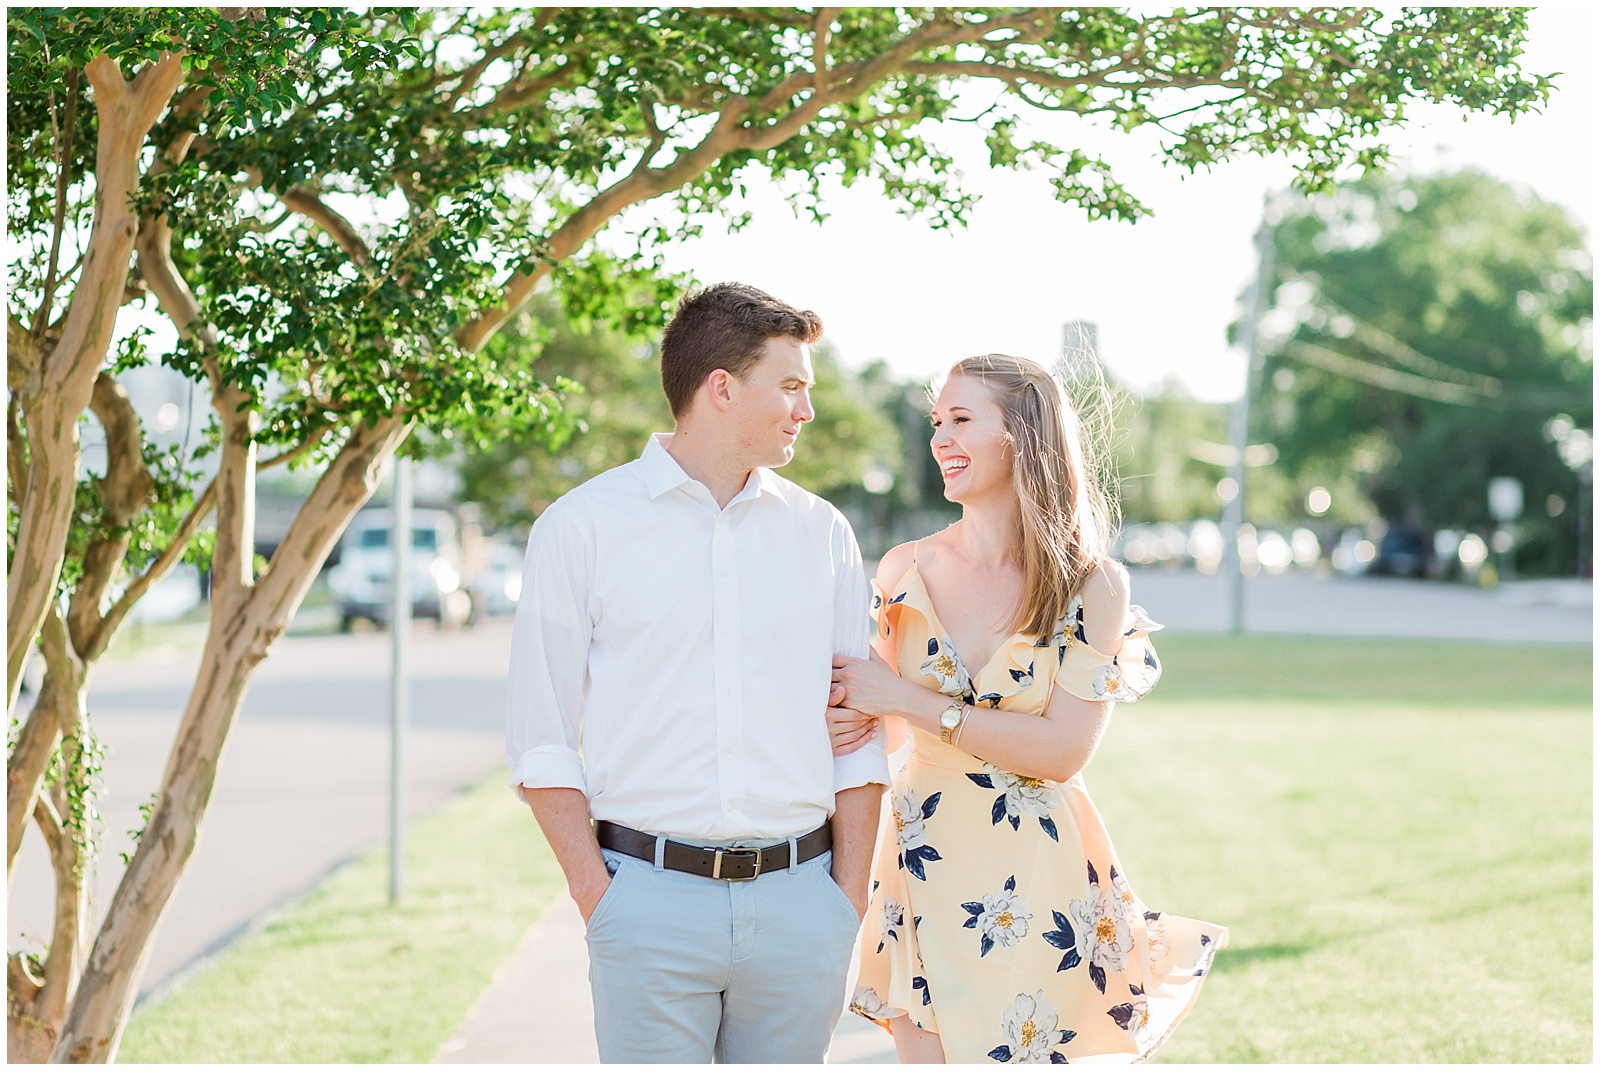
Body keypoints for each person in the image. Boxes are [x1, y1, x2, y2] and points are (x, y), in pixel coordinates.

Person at [505, 282, 888, 1064]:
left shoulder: (823, 533)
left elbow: (856, 733)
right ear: (721, 387)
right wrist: (598, 896)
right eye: (790, 386)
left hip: (801, 905)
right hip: (645, 904)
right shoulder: (579, 528)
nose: (805, 411)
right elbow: (540, 737)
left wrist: (843, 903)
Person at [827, 354, 1226, 1063]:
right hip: (924, 857)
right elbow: (881, 726)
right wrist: (847, 708)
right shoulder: (902, 571)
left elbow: (1063, 749)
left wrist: (912, 701)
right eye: (936, 422)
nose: (939, 439)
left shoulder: (1092, 584)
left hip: (1037, 874)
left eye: (961, 420)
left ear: (1020, 434)